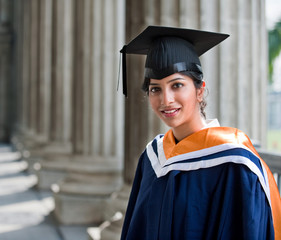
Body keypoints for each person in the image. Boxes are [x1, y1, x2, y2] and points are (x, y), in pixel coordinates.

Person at [119, 26, 281, 240]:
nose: (166, 100)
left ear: (199, 90)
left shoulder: (235, 164)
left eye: (177, 85)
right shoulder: (152, 159)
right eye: (155, 88)